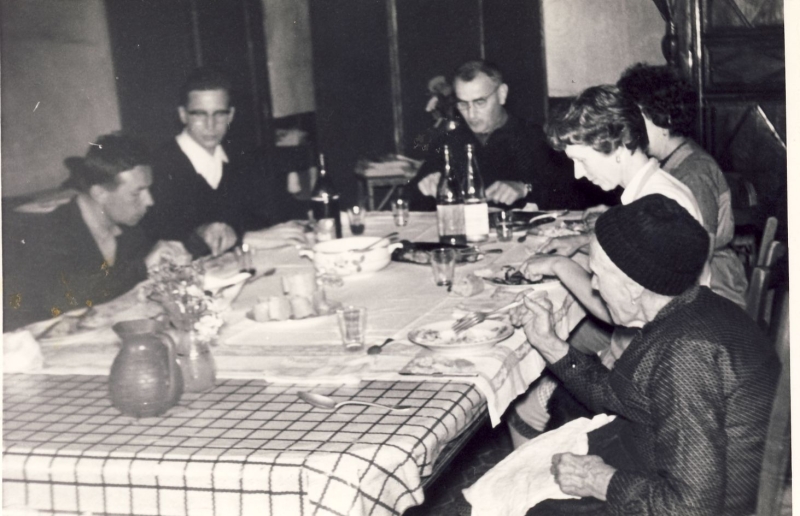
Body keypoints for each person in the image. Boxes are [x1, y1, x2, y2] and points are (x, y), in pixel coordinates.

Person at [510, 194, 778, 515]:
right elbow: (621, 395)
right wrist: (548, 342)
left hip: (687, 501)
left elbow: (691, 508)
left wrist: (601, 481)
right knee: (556, 413)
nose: (593, 286)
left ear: (635, 286)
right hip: (652, 460)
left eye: (598, 274)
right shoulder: (691, 309)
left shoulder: (686, 355)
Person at [504, 85, 708, 444]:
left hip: (652, 371)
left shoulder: (657, 200)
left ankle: (544, 494)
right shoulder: (652, 192)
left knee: (523, 411)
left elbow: (619, 311)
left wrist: (559, 265)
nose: (579, 175)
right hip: (653, 352)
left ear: (619, 146)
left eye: (582, 160)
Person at [3, 134, 190, 331]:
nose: (149, 201)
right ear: (100, 193)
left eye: (148, 190)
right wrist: (143, 266)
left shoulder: (129, 230)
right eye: (137, 193)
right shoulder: (49, 231)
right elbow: (68, 298)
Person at [617, 63, 748, 308]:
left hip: (715, 297)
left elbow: (696, 261)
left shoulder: (693, 172)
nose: (627, 127)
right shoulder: (666, 162)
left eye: (634, 117)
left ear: (663, 118)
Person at [140, 67, 306, 258]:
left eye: (219, 114)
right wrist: (245, 238)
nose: (211, 125)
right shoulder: (160, 166)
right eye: (199, 114)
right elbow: (168, 238)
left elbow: (271, 215)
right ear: (183, 115)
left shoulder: (243, 157)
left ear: (231, 116)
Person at [408, 60, 577, 210]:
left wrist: (526, 189)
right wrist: (426, 188)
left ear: (501, 94)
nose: (471, 114)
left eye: (480, 102)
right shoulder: (449, 141)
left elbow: (573, 194)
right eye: (463, 104)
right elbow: (412, 199)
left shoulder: (538, 138)